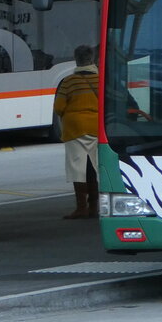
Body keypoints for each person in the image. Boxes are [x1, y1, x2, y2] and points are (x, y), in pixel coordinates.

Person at [53, 44, 100, 220]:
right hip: (96, 128)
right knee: (95, 168)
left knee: (77, 168)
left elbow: (59, 107)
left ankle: (81, 208)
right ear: (92, 59)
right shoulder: (100, 80)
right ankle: (94, 207)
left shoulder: (68, 82)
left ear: (76, 60)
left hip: (75, 129)